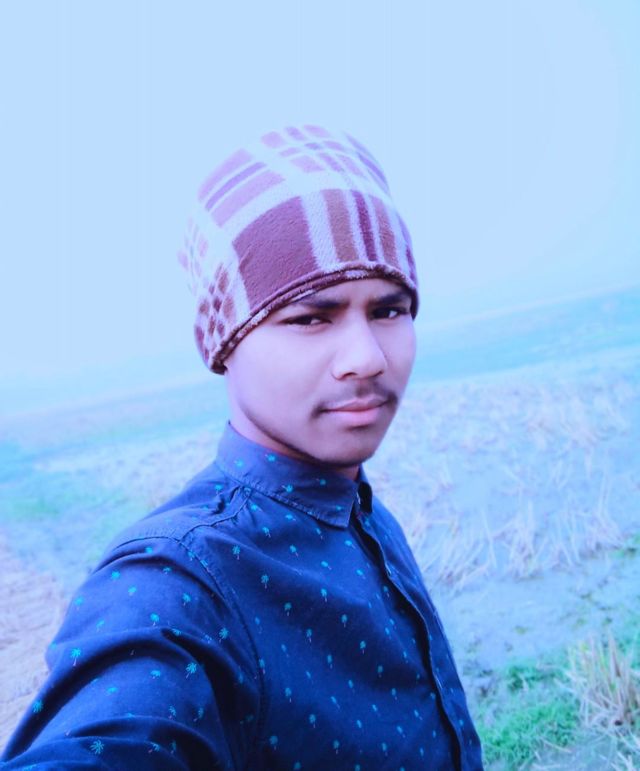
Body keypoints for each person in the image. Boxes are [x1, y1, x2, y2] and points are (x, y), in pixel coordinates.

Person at [1, 124, 483, 769]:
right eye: (310, 318)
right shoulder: (178, 581)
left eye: (389, 310)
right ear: (226, 342)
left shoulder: (356, 507)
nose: (367, 357)